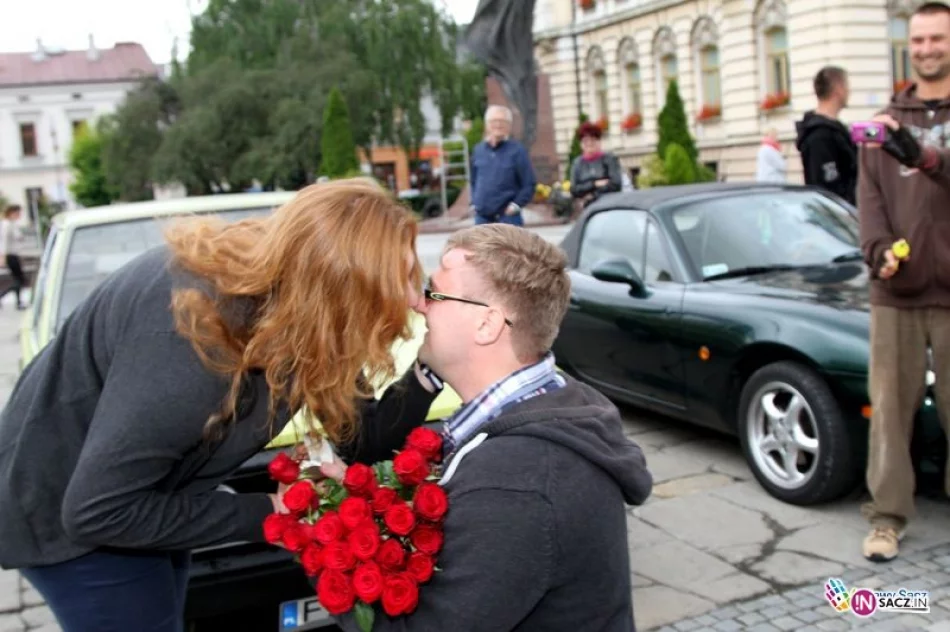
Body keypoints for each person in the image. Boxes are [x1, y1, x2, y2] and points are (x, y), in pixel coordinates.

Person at [0, 178, 440, 632]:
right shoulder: (194, 341)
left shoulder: (303, 312)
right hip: (70, 520)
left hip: (150, 493)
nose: (413, 298)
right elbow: (97, 510)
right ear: (341, 289)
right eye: (399, 279)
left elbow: (361, 436)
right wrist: (271, 509)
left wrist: (431, 367)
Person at [327, 224, 654, 631]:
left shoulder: (517, 482)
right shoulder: (555, 405)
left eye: (436, 292)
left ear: (488, 324)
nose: (420, 306)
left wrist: (315, 539)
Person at [857, 1, 950, 563]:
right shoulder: (884, 122)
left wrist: (924, 153)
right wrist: (877, 254)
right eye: (917, 41)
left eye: (936, 39)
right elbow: (869, 202)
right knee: (890, 408)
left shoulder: (912, 136)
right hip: (896, 293)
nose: (926, 49)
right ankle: (887, 516)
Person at [795, 66, 858, 204]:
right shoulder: (820, 136)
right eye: (847, 85)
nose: (849, 91)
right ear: (838, 89)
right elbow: (826, 188)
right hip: (838, 218)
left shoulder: (836, 130)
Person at [469, 105, 537, 226]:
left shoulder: (517, 150)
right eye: (494, 121)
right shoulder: (478, 150)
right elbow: (473, 180)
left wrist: (515, 206)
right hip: (482, 218)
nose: (498, 125)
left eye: (503, 121)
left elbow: (529, 183)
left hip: (508, 218)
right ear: (487, 124)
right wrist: (475, 204)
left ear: (509, 126)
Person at [569, 121, 623, 209]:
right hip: (586, 209)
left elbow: (615, 185)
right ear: (581, 144)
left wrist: (592, 196)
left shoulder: (609, 159)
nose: (589, 143)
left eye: (593, 140)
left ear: (599, 141)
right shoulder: (577, 163)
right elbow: (574, 190)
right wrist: (595, 184)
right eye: (585, 141)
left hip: (608, 205)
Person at [0, 204, 27, 310]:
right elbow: (4, 241)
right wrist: (3, 256)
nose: (19, 215)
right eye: (18, 213)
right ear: (12, 213)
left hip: (14, 254)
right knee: (19, 279)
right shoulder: (7, 224)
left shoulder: (12, 224)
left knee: (19, 279)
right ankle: (15, 300)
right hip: (10, 255)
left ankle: (18, 301)